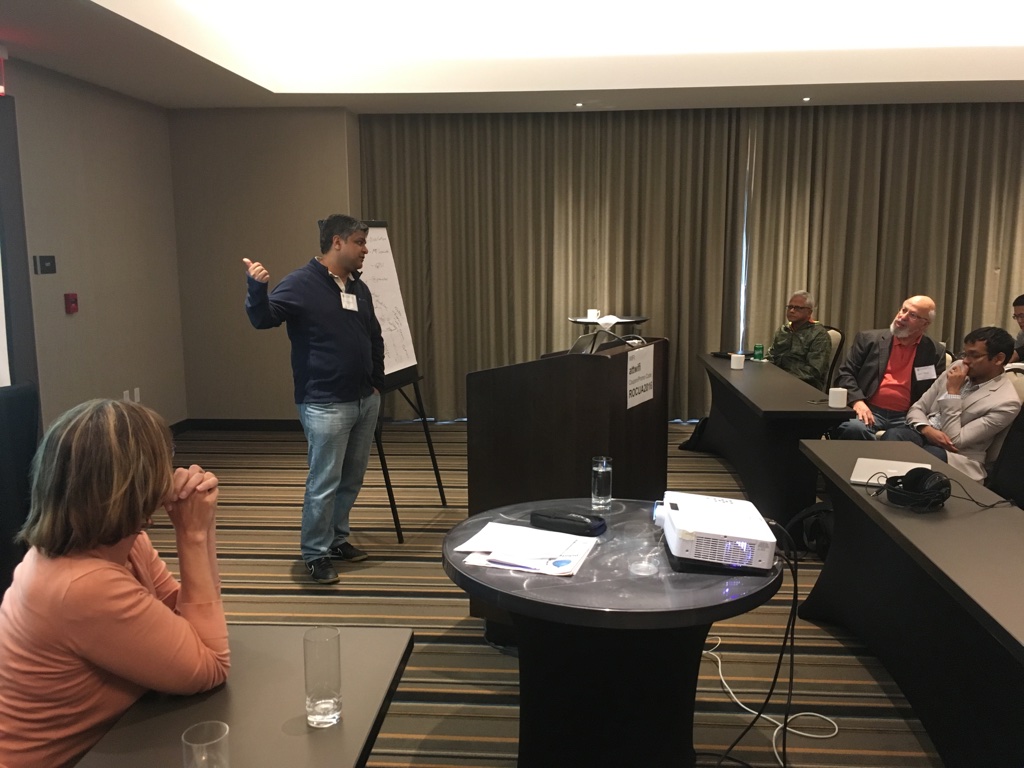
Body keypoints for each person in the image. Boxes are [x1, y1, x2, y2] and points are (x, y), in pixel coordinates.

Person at [0, 400, 229, 768]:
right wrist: (194, 535)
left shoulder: (124, 544)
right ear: (140, 481)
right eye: (165, 458)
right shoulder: (82, 585)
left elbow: (189, 620)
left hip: (110, 742)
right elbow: (211, 664)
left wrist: (203, 525)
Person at [244, 214, 384, 584]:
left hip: (363, 399)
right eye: (359, 242)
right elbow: (263, 319)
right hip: (325, 401)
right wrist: (257, 288)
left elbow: (373, 335)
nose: (365, 250)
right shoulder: (301, 283)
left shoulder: (357, 287)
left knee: (351, 478)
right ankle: (315, 553)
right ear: (337, 242)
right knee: (324, 482)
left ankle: (336, 539)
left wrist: (376, 383)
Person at [881, 327, 1021, 481]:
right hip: (924, 434)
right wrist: (926, 429)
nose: (966, 361)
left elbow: (955, 440)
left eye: (974, 355)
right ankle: (880, 485)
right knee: (894, 435)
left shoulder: (1006, 402)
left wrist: (953, 393)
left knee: (929, 454)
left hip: (957, 455)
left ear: (998, 359)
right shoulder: (958, 366)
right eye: (965, 354)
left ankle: (900, 489)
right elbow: (917, 408)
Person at [832, 295, 945, 439]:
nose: (902, 317)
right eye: (903, 310)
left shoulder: (934, 351)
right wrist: (857, 401)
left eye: (912, 315)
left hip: (907, 417)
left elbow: (937, 392)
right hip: (869, 409)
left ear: (925, 324)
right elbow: (845, 374)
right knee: (853, 428)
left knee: (897, 438)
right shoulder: (868, 340)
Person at [765, 290, 832, 390]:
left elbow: (814, 371)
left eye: (797, 308)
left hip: (805, 385)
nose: (792, 311)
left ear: (809, 312)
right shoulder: (783, 330)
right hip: (777, 381)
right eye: (790, 307)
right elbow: (771, 356)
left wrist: (782, 379)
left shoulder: (819, 334)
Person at [1010, 294, 1024, 363]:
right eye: (1016, 316)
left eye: (1022, 316)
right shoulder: (1022, 334)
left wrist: (1019, 353)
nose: (1019, 321)